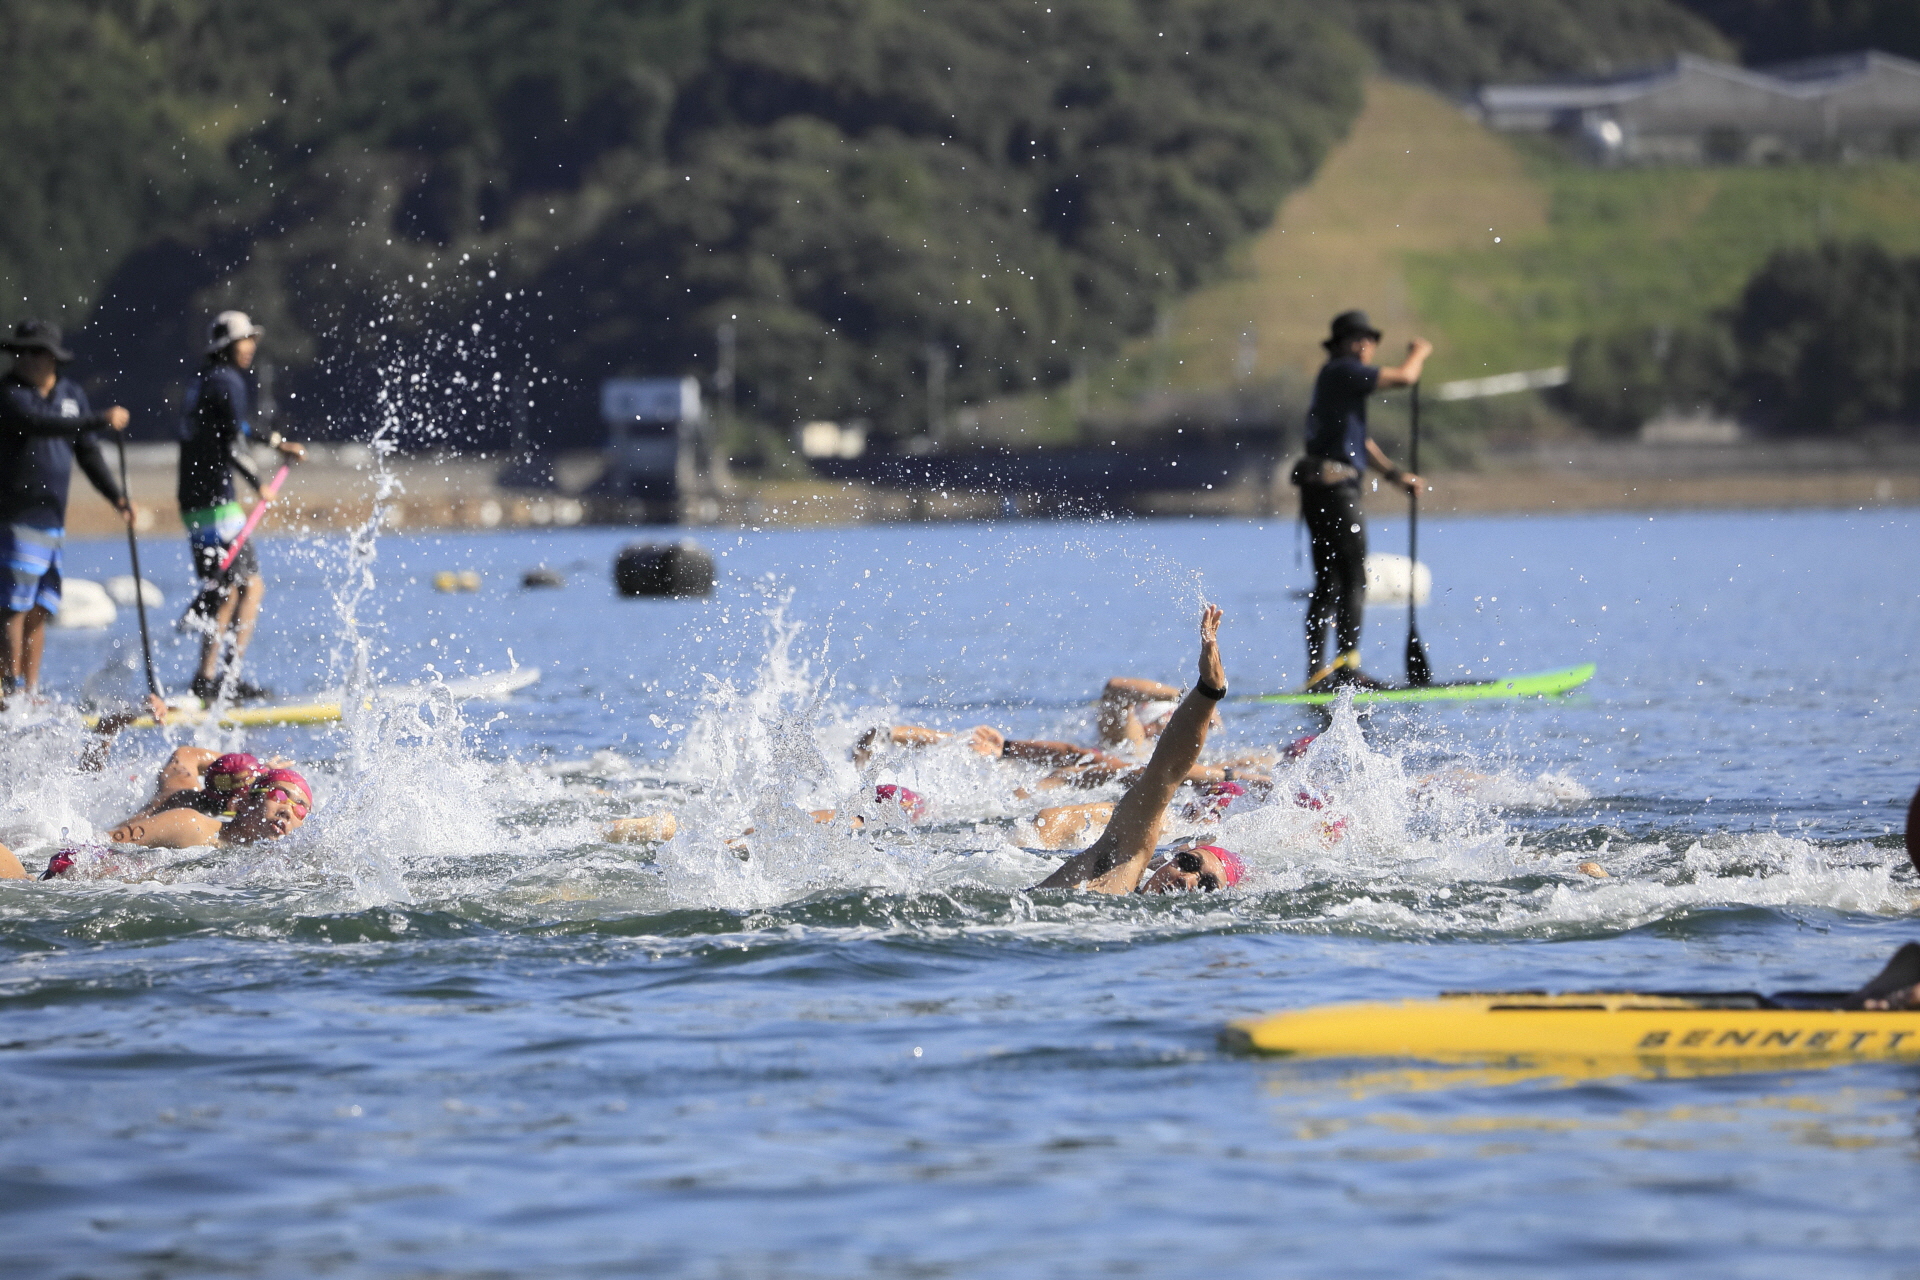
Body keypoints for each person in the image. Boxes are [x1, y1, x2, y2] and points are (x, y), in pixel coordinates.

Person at [1032, 605, 1245, 894]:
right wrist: (1208, 691)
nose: (1187, 880)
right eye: (1188, 863)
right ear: (1167, 857)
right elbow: (1165, 772)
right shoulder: (1114, 865)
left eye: (1207, 885)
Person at [1294, 310, 1429, 690]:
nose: (1367, 346)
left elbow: (1359, 442)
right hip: (1336, 490)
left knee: (1328, 581)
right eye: (1360, 340)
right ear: (1345, 345)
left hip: (1318, 487)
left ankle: (1318, 672)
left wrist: (1393, 475)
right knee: (1352, 575)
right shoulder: (1342, 370)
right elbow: (1406, 377)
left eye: (1369, 340)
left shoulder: (1336, 382)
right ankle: (1346, 668)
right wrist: (1419, 352)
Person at [0, 319, 133, 699]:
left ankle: (30, 689)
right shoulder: (9, 394)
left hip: (52, 521)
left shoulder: (72, 394)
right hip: (14, 519)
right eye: (19, 352)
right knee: (13, 605)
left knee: (41, 606)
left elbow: (87, 451)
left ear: (52, 358)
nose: (23, 359)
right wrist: (100, 419)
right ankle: (9, 688)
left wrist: (117, 497)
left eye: (33, 352)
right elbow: (38, 424)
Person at [178, 311, 303, 703]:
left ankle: (207, 680)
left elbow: (238, 429)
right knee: (250, 585)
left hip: (194, 501)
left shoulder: (204, 382)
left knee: (226, 590)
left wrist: (275, 443)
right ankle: (226, 679)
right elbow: (233, 440)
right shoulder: (228, 381)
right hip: (217, 504)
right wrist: (259, 484)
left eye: (251, 340)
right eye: (243, 341)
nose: (250, 347)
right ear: (227, 347)